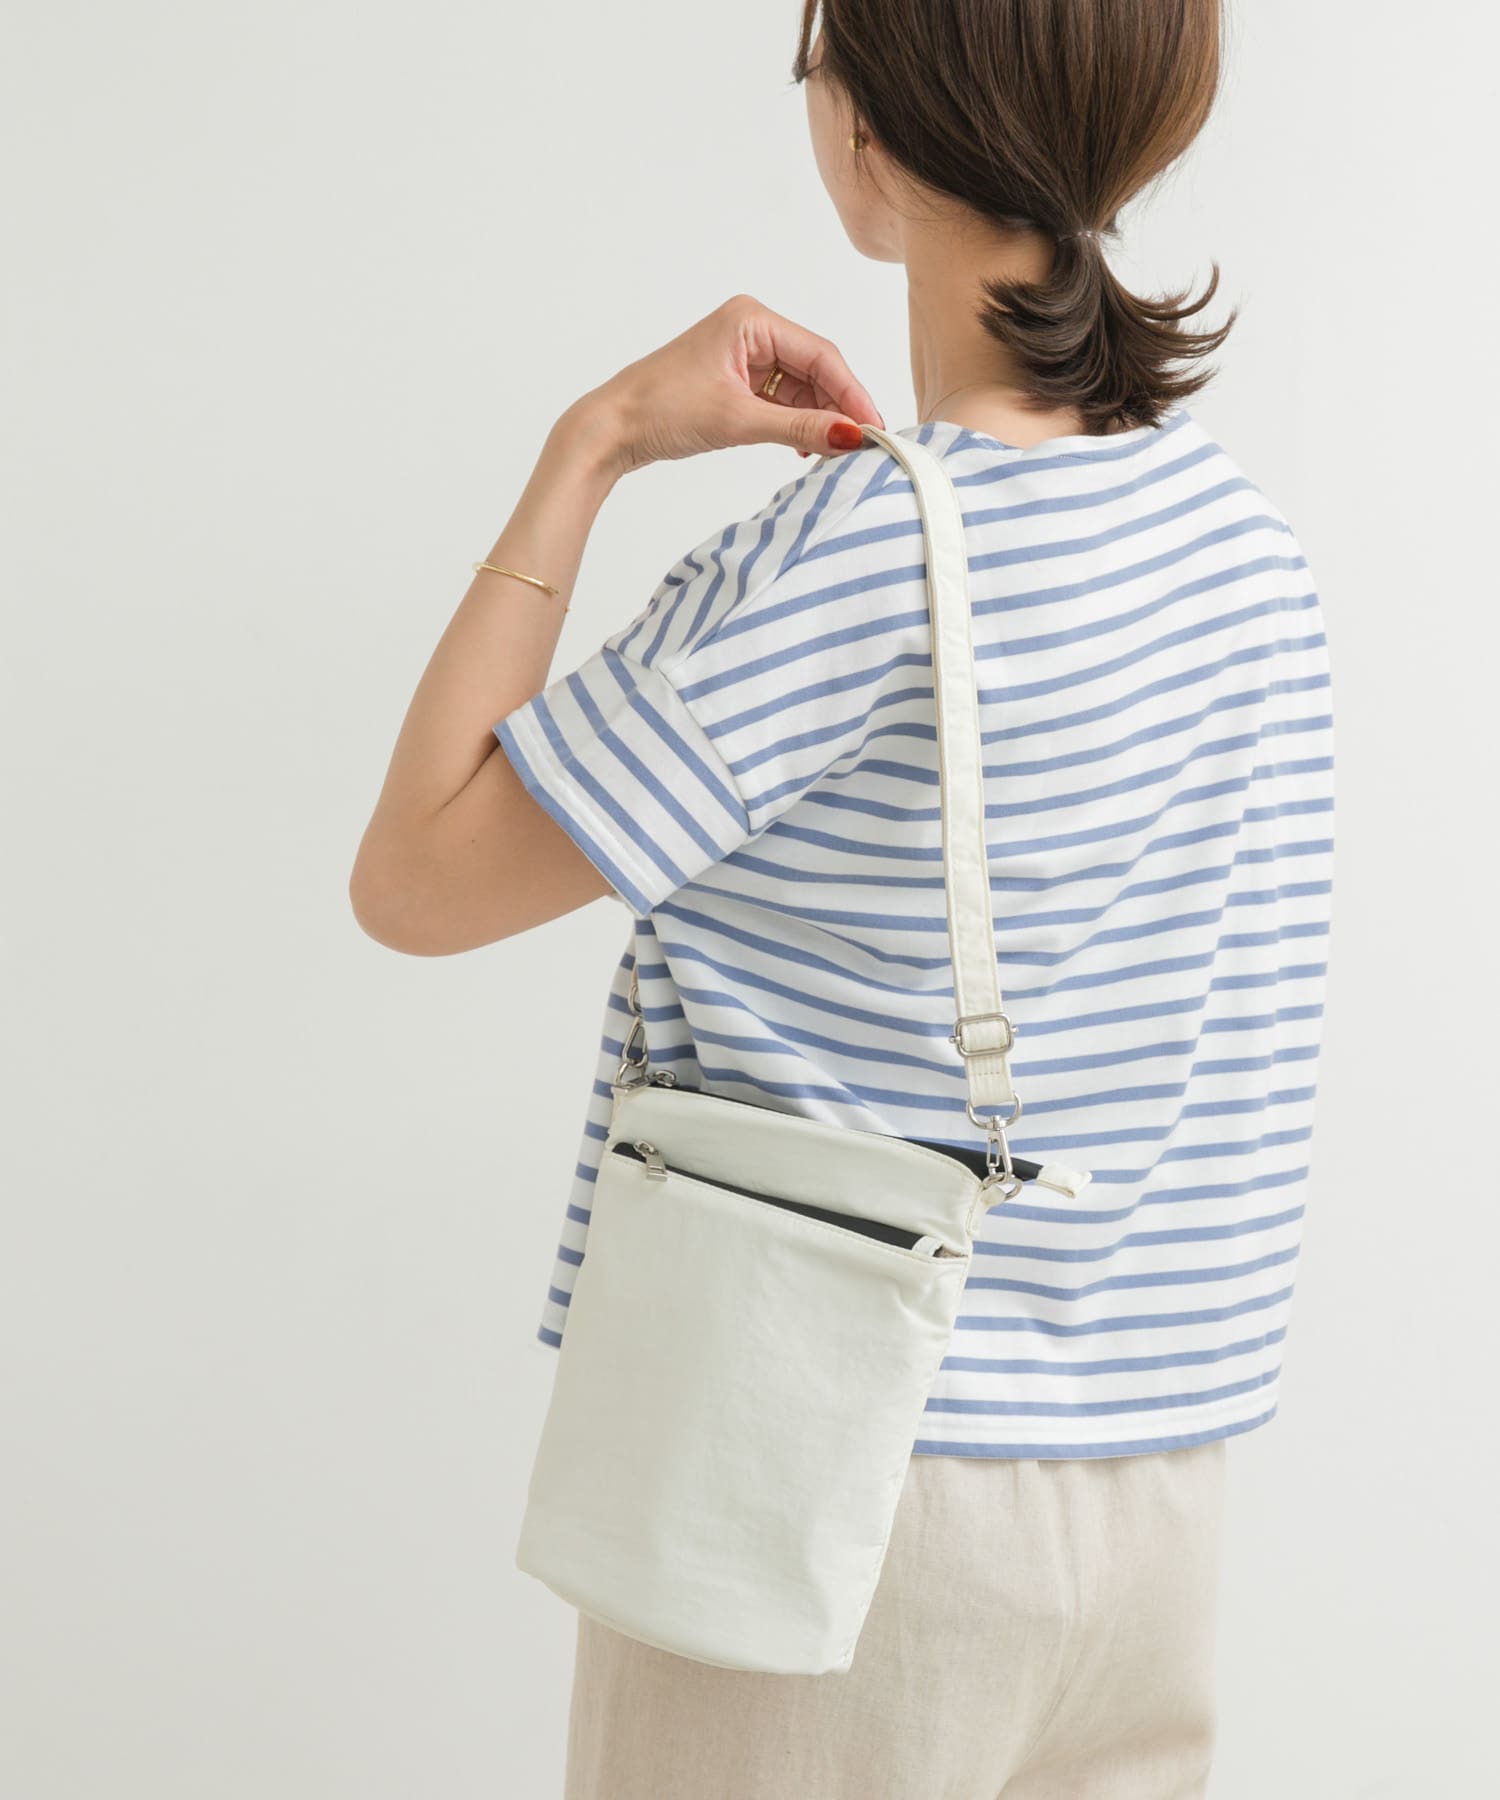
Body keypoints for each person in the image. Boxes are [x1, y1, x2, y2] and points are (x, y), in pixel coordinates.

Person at [349, 2, 1334, 1794]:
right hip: (1155, 1498)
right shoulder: (1243, 549)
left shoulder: (858, 554)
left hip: (828, 1481)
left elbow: (416, 875)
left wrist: (595, 442)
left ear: (870, 131)